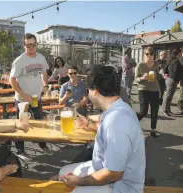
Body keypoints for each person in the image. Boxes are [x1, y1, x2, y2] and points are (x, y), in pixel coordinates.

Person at [51, 65, 145, 193]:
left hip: (120, 187)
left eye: (88, 90)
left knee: (68, 187)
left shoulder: (117, 122)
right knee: (60, 175)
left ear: (95, 91)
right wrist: (89, 124)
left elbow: (114, 174)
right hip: (100, 169)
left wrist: (79, 181)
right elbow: (105, 127)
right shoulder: (116, 108)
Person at [10, 33, 52, 159]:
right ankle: (20, 150)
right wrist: (23, 95)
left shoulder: (41, 58)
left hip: (36, 97)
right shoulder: (19, 61)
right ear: (24, 46)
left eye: (33, 45)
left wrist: (45, 85)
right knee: (22, 123)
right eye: (28, 45)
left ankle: (42, 145)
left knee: (39, 121)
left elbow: (44, 72)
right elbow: (12, 80)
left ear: (36, 44)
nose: (31, 48)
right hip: (22, 99)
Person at [135, 46, 161, 139]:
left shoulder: (155, 65)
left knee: (155, 111)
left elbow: (158, 77)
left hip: (154, 90)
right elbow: (136, 79)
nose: (149, 56)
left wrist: (162, 75)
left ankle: (153, 131)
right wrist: (142, 78)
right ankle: (132, 122)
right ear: (144, 55)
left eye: (151, 54)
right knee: (143, 111)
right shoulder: (140, 65)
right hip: (143, 89)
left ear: (154, 55)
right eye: (147, 54)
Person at [162, 48, 183, 116]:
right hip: (172, 80)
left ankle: (168, 109)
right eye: (180, 53)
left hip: (169, 79)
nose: (181, 55)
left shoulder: (170, 60)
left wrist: (166, 75)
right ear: (178, 53)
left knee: (170, 95)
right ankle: (165, 110)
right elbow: (175, 71)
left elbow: (165, 69)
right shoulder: (176, 61)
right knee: (168, 95)